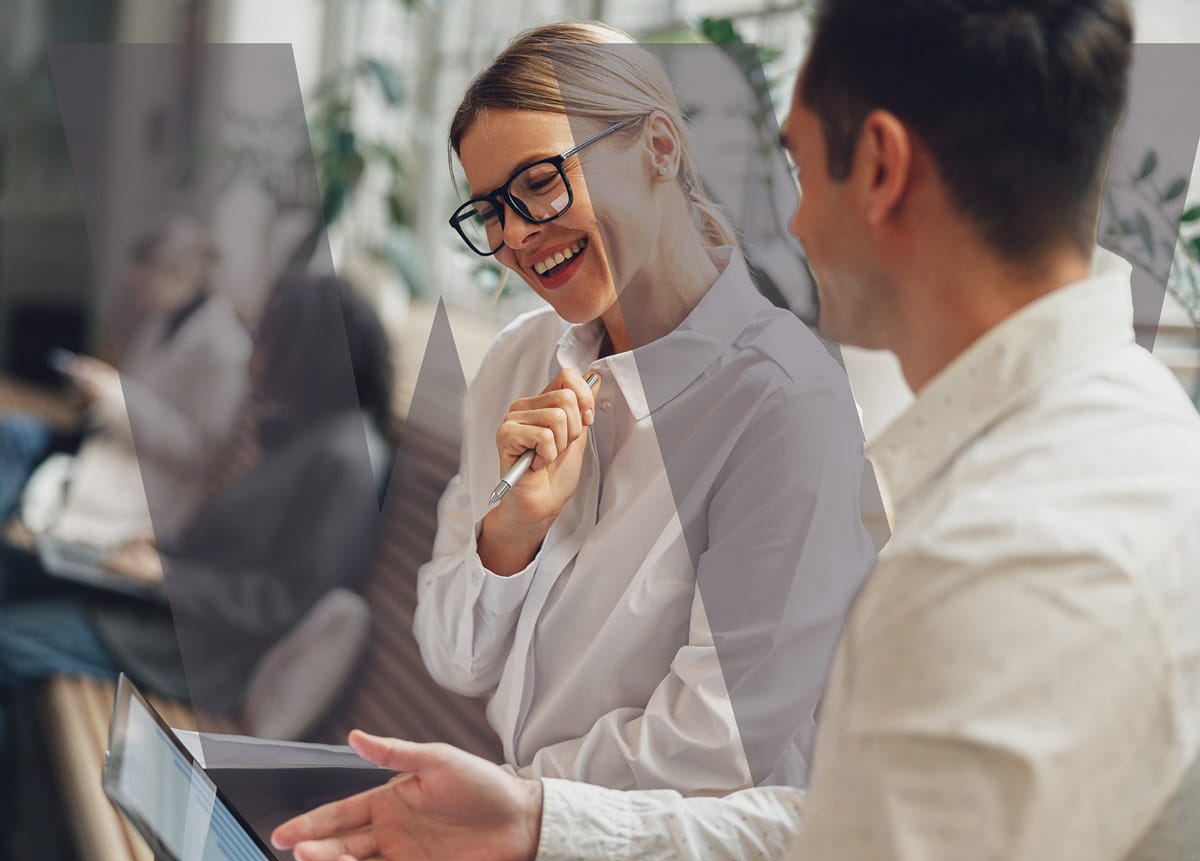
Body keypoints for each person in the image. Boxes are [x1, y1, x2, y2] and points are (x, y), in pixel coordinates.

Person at [198, 2, 1200, 861]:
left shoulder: (1016, 541)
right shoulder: (1090, 445)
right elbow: (841, 828)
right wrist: (541, 824)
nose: (792, 227)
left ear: (884, 168)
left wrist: (542, 823)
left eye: (800, 168)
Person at [412, 21, 876, 795]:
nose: (518, 236)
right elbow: (454, 657)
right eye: (491, 210)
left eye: (539, 182)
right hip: (534, 845)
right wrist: (510, 534)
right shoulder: (517, 364)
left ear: (660, 148)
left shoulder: (786, 407)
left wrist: (510, 807)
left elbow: (713, 743)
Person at [0, 272, 394, 783]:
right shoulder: (313, 433)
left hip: (198, 652)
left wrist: (164, 574)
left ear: (304, 351)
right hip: (171, 610)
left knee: (9, 640)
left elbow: (287, 601)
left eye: (265, 337)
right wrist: (165, 547)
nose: (253, 354)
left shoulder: (348, 458)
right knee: (12, 569)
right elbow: (243, 541)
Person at [0, 216, 251, 551]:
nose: (137, 297)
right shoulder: (161, 323)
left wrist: (114, 395)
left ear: (184, 276)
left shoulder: (225, 347)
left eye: (145, 286)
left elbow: (198, 450)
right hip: (112, 445)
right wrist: (97, 395)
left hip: (150, 483)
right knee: (15, 432)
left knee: (18, 444)